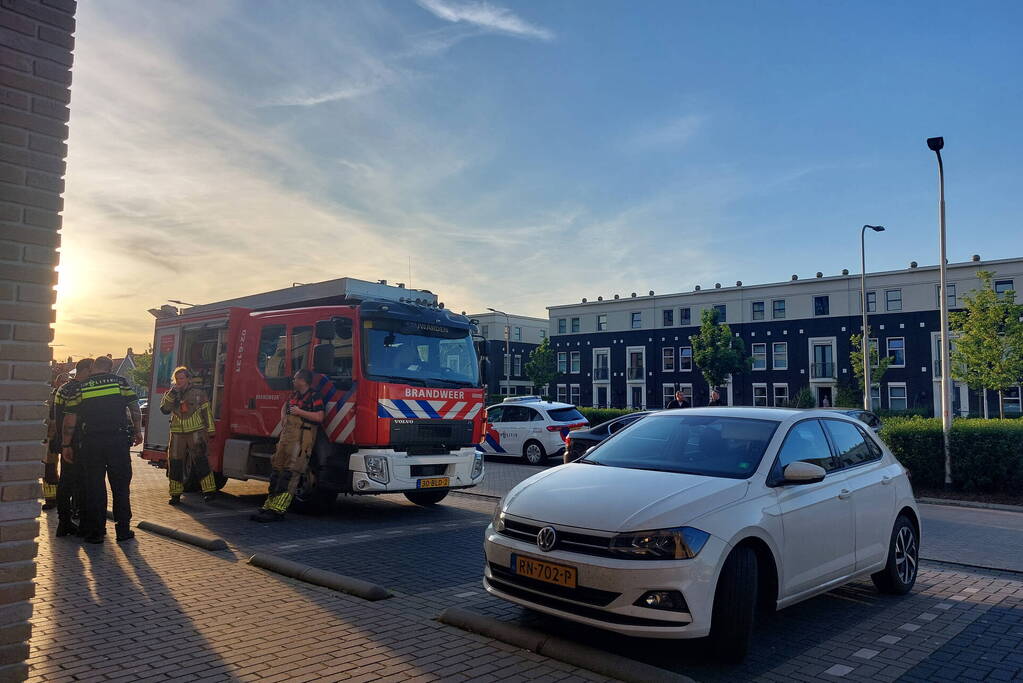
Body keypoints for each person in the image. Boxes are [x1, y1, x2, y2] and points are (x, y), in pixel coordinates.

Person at [60, 355, 142, 543]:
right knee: (121, 487)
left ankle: (96, 532)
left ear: (93, 367)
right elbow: (135, 408)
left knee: (94, 487)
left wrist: (66, 444)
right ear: (110, 368)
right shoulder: (120, 382)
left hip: (92, 443)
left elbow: (70, 419)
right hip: (118, 441)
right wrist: (137, 431)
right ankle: (123, 531)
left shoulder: (81, 387)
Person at [251, 369, 325, 523]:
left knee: (290, 474)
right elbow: (285, 406)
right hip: (287, 437)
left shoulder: (314, 396)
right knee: (277, 471)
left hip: (301, 439)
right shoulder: (295, 395)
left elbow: (319, 417)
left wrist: (300, 411)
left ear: (303, 381)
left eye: (295, 378)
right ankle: (268, 506)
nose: (293, 381)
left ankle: (278, 510)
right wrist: (284, 417)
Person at [48, 358, 93, 536]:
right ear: (87, 370)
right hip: (77, 442)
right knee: (81, 482)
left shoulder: (62, 388)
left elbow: (55, 414)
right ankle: (80, 521)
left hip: (64, 440)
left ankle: (63, 522)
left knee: (65, 482)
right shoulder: (80, 389)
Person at [161, 366, 217, 505]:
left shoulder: (199, 392)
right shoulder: (171, 393)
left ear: (188, 379)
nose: (179, 381)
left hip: (196, 431)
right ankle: (175, 494)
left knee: (201, 460)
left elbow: (206, 411)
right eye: (177, 379)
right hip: (177, 433)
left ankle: (209, 491)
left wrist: (211, 429)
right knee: (175, 462)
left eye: (182, 378)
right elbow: (164, 409)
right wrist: (173, 393)